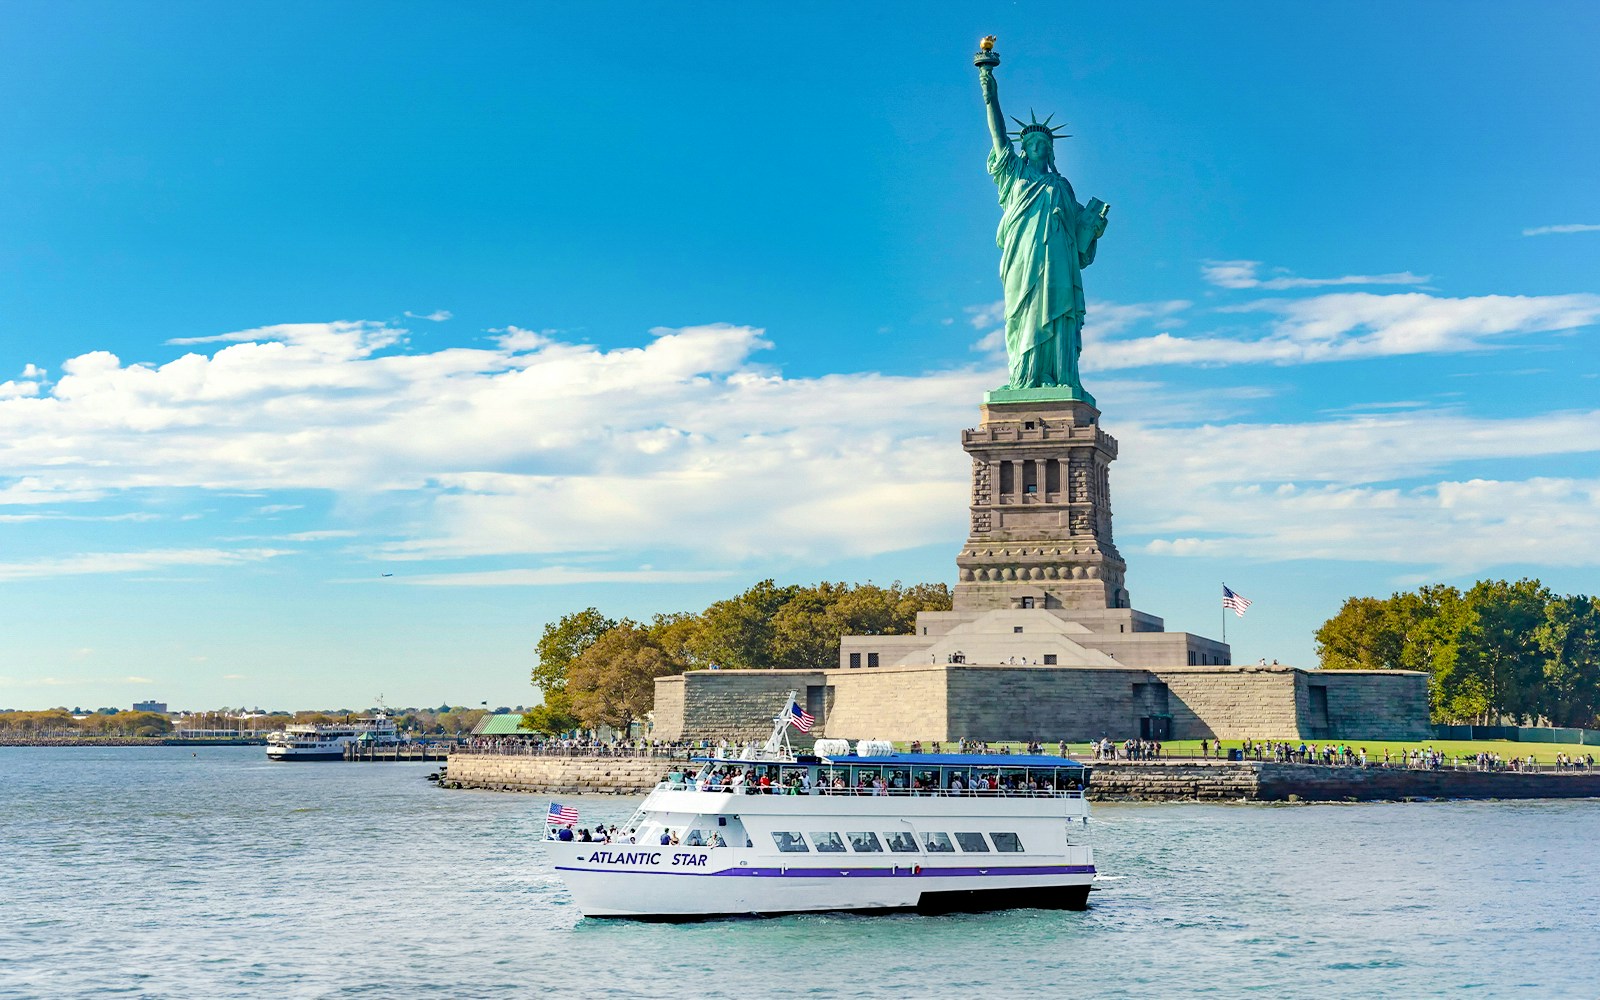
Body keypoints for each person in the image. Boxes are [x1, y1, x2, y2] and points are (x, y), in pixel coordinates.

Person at [977, 52, 1109, 391]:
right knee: (1024, 313)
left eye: (1043, 143)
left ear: (1050, 151)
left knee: (1058, 311)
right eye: (1031, 142)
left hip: (1059, 261)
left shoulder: (1061, 186)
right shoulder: (1014, 174)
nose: (1036, 146)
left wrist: (1093, 225)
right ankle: (1026, 377)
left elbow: (1081, 233)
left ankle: (1058, 375)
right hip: (1023, 257)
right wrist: (989, 89)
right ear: (1023, 149)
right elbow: (997, 131)